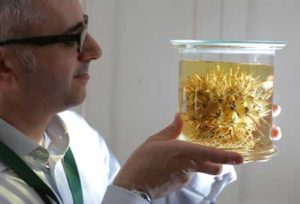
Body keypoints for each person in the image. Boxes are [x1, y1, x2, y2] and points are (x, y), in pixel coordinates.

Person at [0, 0, 282, 203]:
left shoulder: (79, 138)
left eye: (85, 29)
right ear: (4, 66)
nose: (95, 50)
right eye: (72, 38)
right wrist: (131, 190)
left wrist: (204, 151)